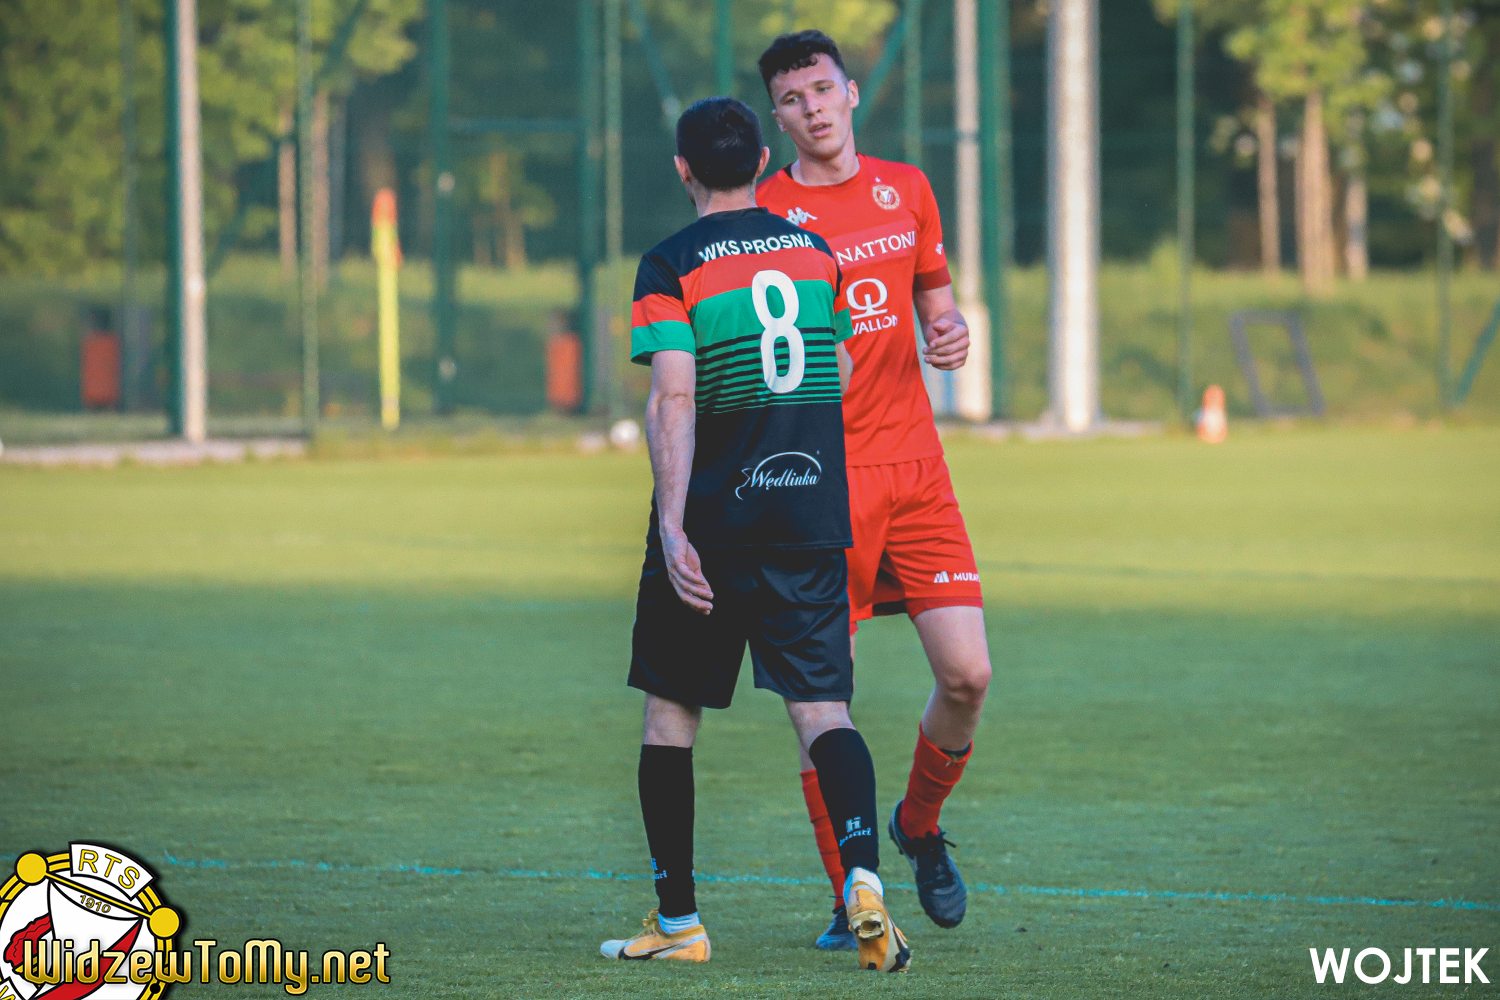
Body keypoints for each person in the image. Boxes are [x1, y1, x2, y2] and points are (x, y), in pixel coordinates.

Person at [598, 95, 910, 974]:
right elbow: (838, 363)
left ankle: (680, 921)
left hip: (714, 522)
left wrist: (671, 526)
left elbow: (674, 394)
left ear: (683, 170)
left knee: (672, 717)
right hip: (808, 516)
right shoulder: (814, 253)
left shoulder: (670, 264)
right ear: (764, 161)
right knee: (824, 711)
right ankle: (862, 879)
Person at [754, 30, 994, 948]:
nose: (812, 108)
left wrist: (951, 331)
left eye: (822, 89)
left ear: (851, 93)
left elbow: (936, 300)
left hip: (918, 471)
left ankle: (919, 827)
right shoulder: (767, 215)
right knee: (823, 702)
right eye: (792, 98)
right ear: (777, 118)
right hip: (820, 484)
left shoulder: (908, 188)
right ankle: (848, 894)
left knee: (967, 677)